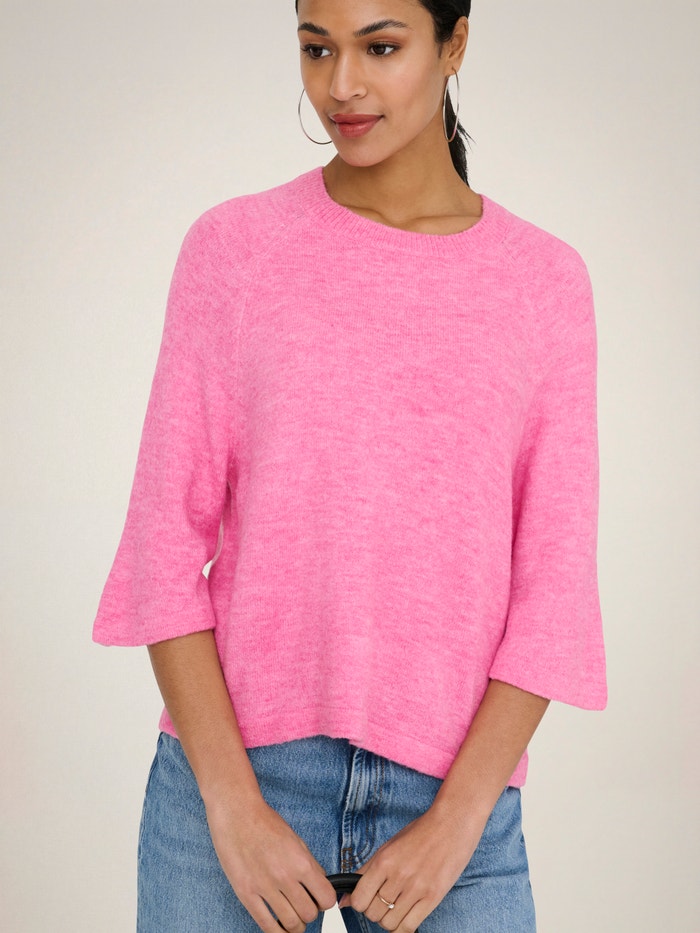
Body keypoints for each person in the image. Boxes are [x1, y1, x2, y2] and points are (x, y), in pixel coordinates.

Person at [92, 1, 607, 930]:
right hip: (236, 775)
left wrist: (458, 822)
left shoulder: (543, 282)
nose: (342, 86)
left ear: (454, 42)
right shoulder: (236, 249)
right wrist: (232, 804)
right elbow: (161, 546)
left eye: (381, 47)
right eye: (316, 47)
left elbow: (554, 590)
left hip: (455, 794)